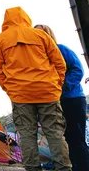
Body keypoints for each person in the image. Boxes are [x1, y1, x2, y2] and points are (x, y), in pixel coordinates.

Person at [0, 7, 71, 171]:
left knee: (27, 135)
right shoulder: (40, 35)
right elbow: (60, 63)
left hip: (20, 95)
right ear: (26, 18)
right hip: (48, 92)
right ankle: (64, 168)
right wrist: (56, 85)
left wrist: (10, 88)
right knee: (55, 133)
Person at [35, 24, 89, 171]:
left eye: (41, 34)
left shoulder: (61, 49)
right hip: (53, 102)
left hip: (72, 99)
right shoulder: (37, 58)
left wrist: (63, 86)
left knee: (77, 138)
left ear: (48, 35)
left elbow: (78, 69)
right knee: (63, 138)